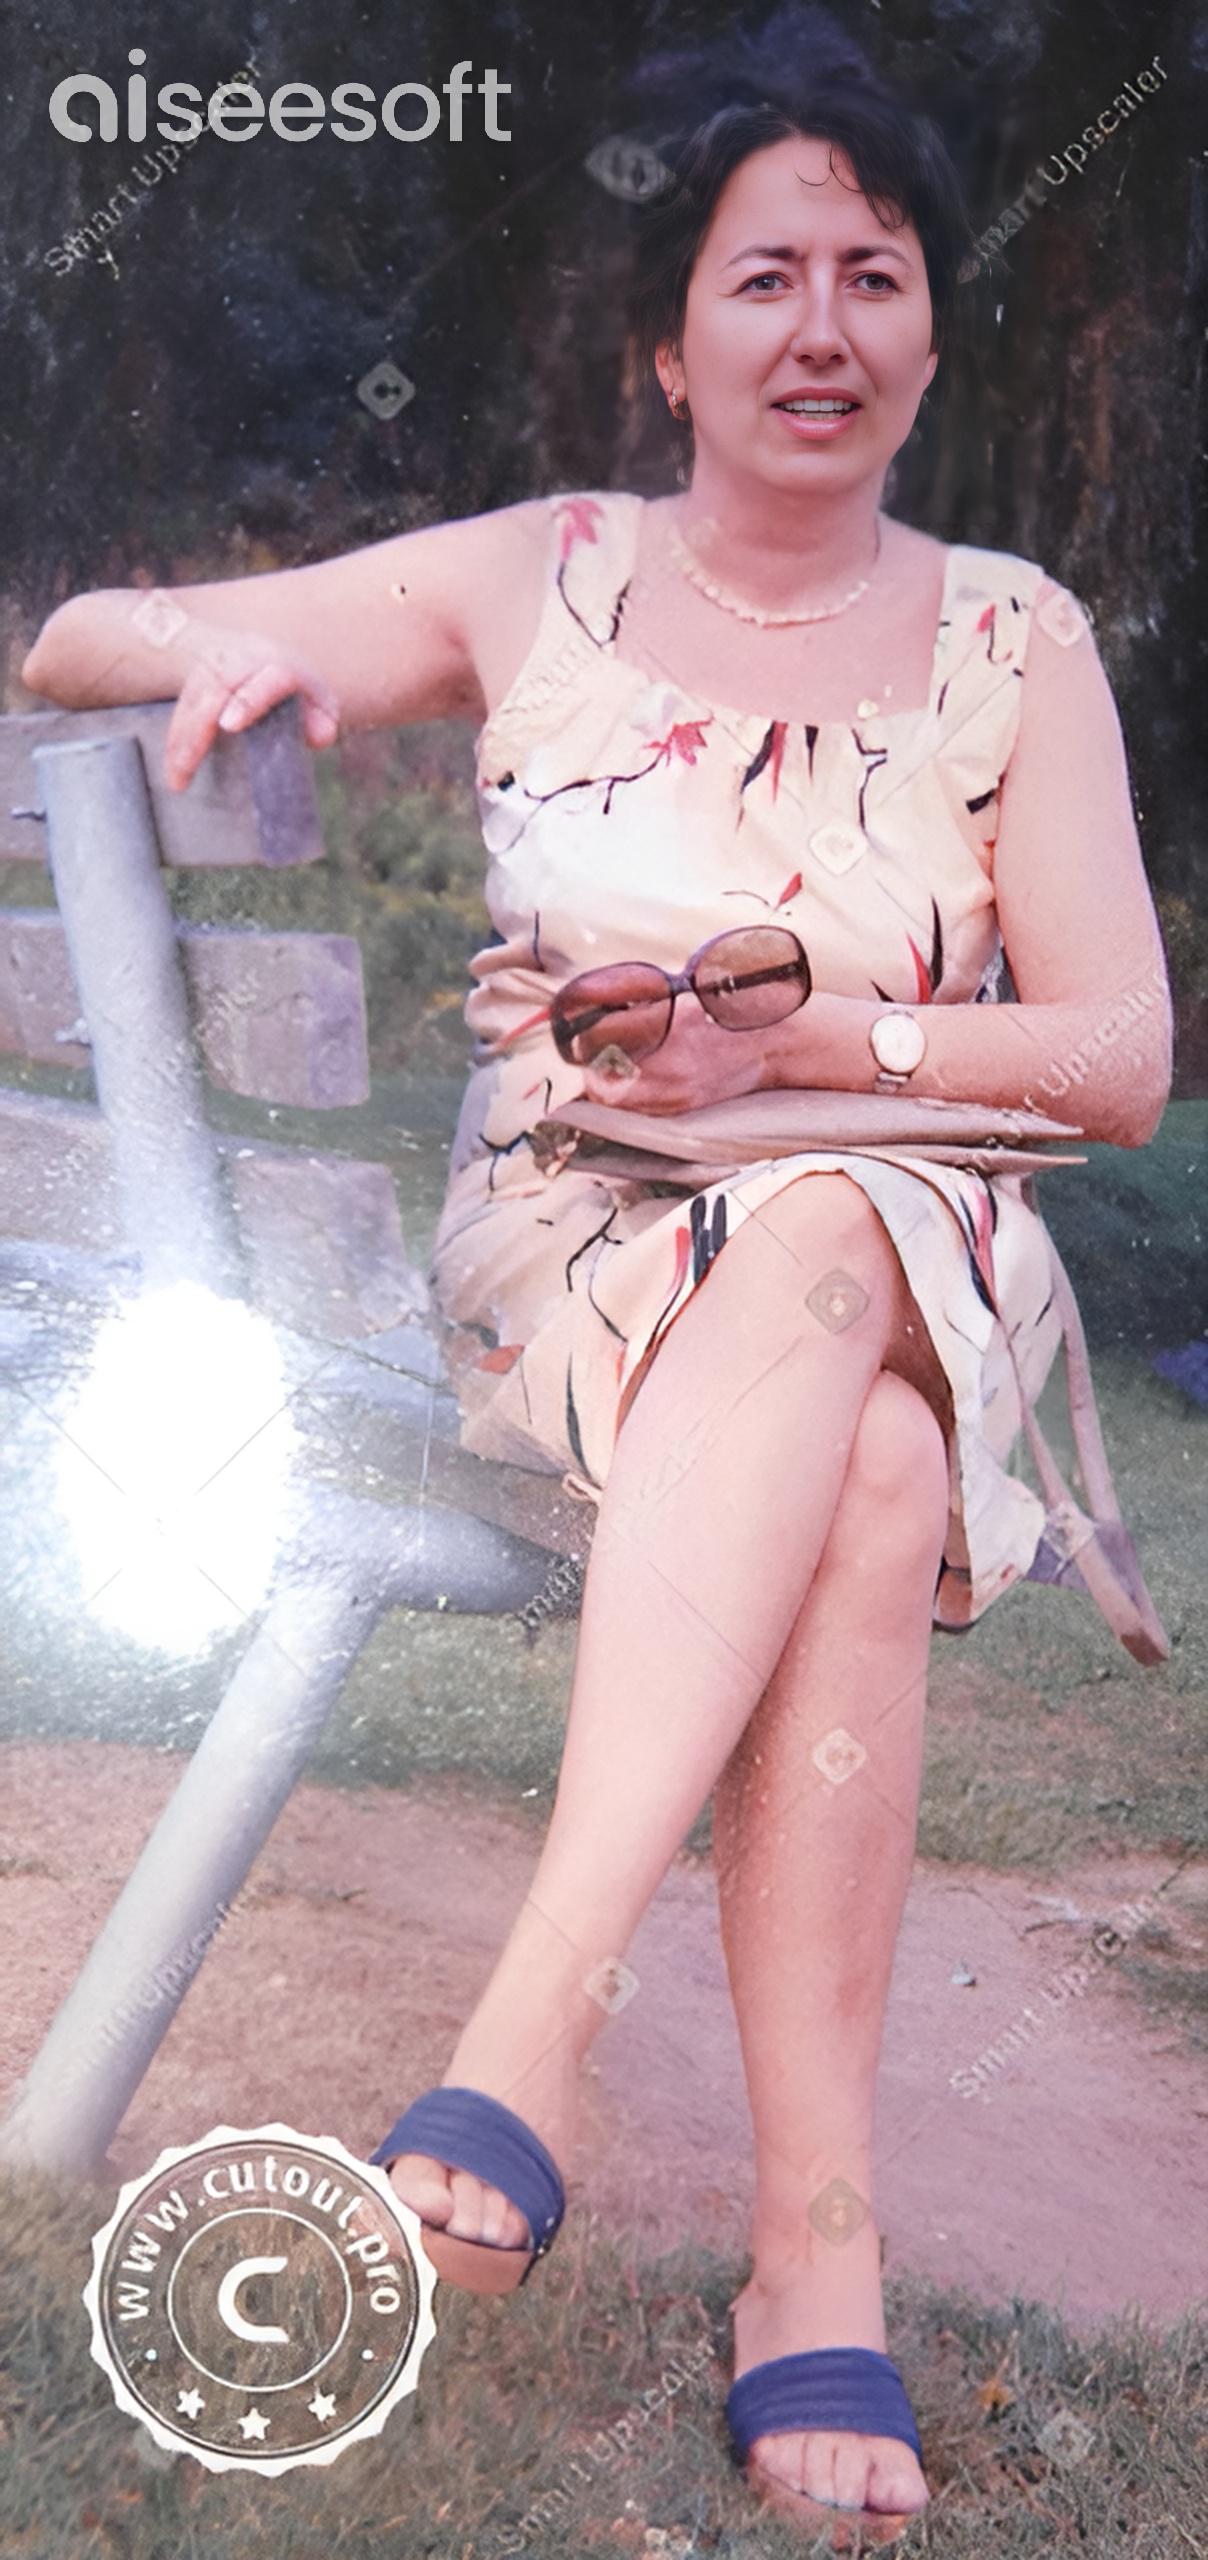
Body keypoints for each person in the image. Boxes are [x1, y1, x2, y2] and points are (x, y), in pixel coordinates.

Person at [20, 16, 1172, 2540]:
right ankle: (810, 2252)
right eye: (762, 275)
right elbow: (72, 633)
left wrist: (810, 1044)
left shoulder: (1011, 641)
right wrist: (227, 646)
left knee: (840, 1249)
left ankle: (533, 2031)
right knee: (873, 1452)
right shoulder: (539, 570)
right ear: (665, 340)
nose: (819, 324)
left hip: (877, 1242)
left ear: (929, 330)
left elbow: (1116, 1057)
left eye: (875, 272)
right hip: (572, 1267)